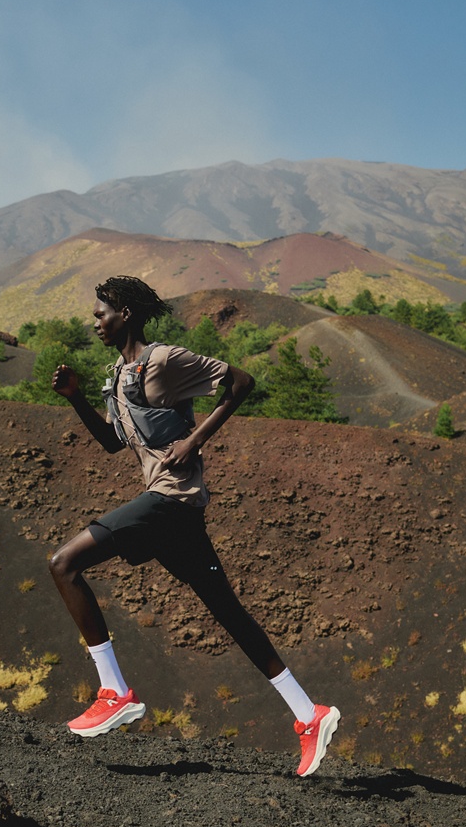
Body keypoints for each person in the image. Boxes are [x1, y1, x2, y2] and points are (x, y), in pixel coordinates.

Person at [49, 275, 340, 776]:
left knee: (64, 564)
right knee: (227, 611)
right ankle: (308, 713)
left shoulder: (163, 360)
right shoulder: (120, 375)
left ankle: (113, 690)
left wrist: (194, 440)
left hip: (170, 501)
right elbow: (113, 443)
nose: (95, 322)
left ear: (125, 314)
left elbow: (241, 382)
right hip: (177, 513)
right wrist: (76, 397)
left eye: (101, 314)